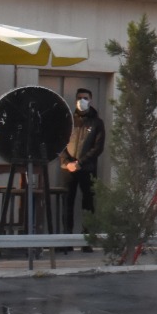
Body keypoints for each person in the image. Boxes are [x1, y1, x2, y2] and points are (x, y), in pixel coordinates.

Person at [59, 88, 105, 232]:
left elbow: (98, 147)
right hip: (68, 169)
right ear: (75, 100)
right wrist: (67, 163)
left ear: (90, 100)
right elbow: (61, 143)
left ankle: (87, 240)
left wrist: (80, 162)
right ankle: (66, 241)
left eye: (85, 98)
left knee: (88, 204)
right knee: (67, 203)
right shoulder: (68, 121)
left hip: (87, 169)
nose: (81, 101)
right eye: (79, 98)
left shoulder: (97, 123)